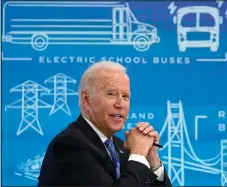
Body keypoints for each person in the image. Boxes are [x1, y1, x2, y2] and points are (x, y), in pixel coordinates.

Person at [37, 61, 172, 186]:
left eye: (125, 96)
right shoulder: (70, 145)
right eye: (111, 94)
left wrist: (152, 160)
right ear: (87, 99)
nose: (120, 104)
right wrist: (138, 154)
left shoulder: (121, 146)